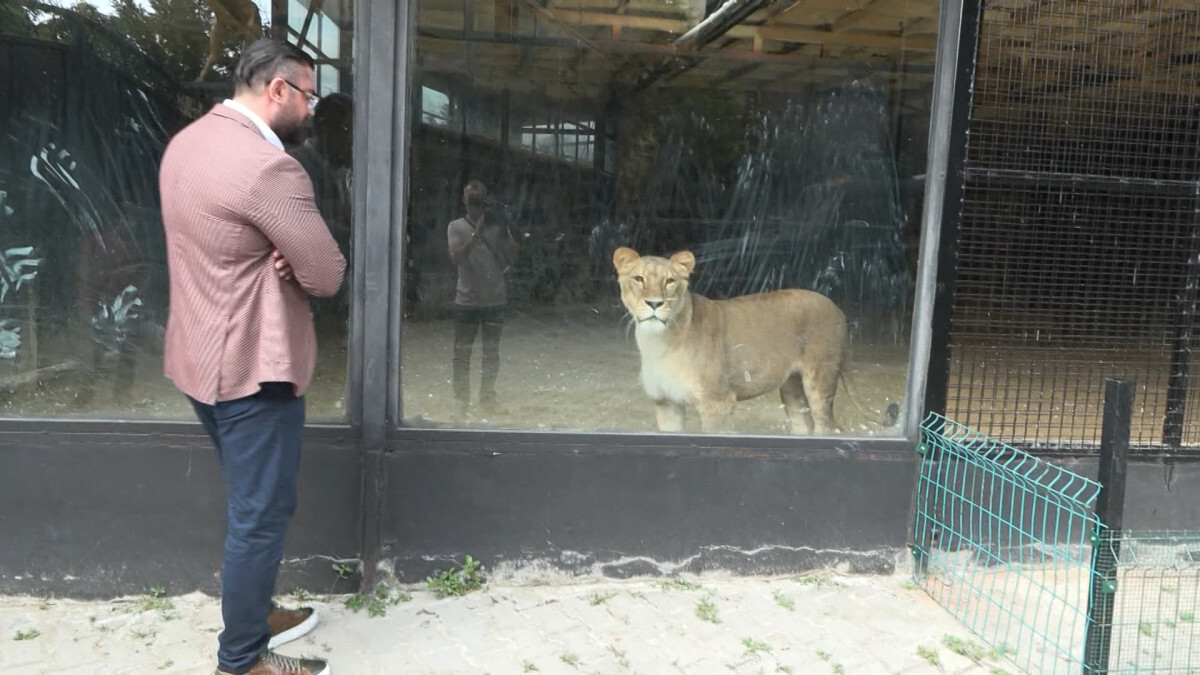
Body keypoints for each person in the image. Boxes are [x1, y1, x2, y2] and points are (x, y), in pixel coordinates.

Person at [159, 38, 346, 675]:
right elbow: (326, 272)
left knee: (250, 503)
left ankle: (257, 610)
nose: (312, 108)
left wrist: (274, 256)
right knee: (260, 516)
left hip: (197, 353)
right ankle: (242, 662)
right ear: (278, 91)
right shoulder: (269, 168)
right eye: (309, 95)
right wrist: (291, 262)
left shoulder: (186, 144)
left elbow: (212, 244)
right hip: (251, 368)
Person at [447, 179, 519, 416]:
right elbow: (456, 258)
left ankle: (488, 399)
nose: (476, 204)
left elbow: (514, 255)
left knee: (491, 354)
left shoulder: (497, 226)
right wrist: (477, 233)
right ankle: (461, 401)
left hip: (495, 298)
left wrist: (505, 228)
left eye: (480, 200)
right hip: (467, 300)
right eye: (472, 199)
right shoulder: (455, 226)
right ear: (463, 200)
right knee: (462, 354)